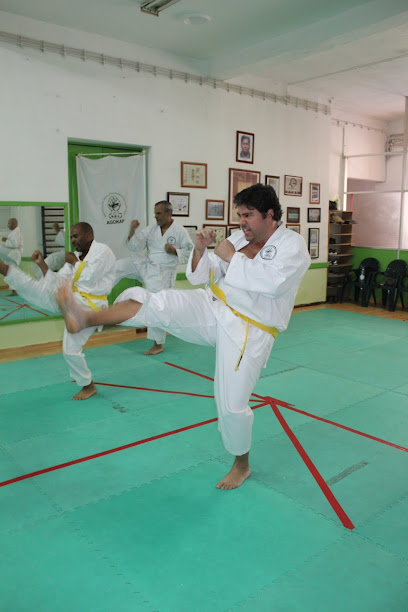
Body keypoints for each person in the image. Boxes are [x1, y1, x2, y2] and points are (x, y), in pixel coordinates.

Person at [56, 184, 310, 488]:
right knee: (157, 301)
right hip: (213, 305)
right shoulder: (239, 238)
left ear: (270, 214)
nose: (242, 221)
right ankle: (86, 317)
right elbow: (200, 276)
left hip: (249, 329)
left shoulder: (292, 246)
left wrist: (232, 258)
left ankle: (241, 464)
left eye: (248, 215)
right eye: (240, 215)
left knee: (230, 403)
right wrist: (201, 251)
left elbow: (273, 284)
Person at [0, 222, 116, 400]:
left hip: (91, 307)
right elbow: (58, 279)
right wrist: (42, 265)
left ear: (89, 235)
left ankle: (67, 307)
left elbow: (90, 276)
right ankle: (88, 385)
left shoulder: (103, 251)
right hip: (72, 300)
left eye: (76, 236)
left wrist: (74, 262)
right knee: (69, 348)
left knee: (55, 294)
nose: (73, 240)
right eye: (71, 237)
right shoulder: (75, 257)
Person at [115, 200, 193, 355]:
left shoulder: (179, 231)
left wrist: (174, 251)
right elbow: (135, 246)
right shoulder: (151, 229)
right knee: (120, 266)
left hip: (163, 273)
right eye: (155, 213)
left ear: (169, 213)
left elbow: (191, 252)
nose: (156, 216)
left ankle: (158, 343)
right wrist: (132, 231)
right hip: (147, 265)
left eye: (159, 213)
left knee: (155, 305)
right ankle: (97, 292)